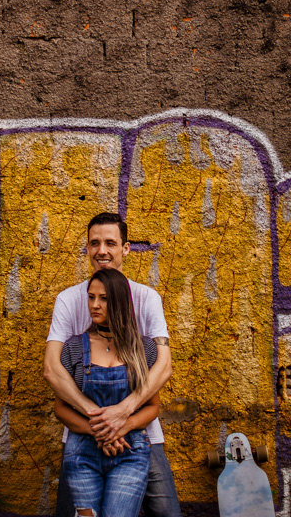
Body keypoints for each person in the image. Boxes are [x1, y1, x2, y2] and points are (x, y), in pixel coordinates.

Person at [44, 213, 182, 517]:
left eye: (110, 242)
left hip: (140, 434)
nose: (102, 250)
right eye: (94, 243)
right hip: (82, 434)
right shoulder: (68, 300)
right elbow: (52, 369)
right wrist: (100, 423)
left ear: (126, 248)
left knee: (167, 512)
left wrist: (123, 414)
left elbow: (163, 366)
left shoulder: (147, 298)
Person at [53, 267, 160, 517]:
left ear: (120, 301)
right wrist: (101, 432)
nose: (95, 305)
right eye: (91, 297)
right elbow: (60, 409)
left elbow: (153, 407)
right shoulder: (73, 349)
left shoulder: (144, 349)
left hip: (130, 453)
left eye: (104, 298)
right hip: (82, 454)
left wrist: (122, 426)